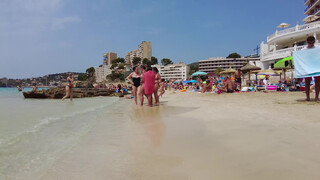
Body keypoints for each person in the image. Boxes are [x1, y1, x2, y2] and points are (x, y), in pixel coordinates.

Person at [301, 36, 320, 101]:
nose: (311, 44)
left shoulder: (318, 48)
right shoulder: (303, 50)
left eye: (312, 43)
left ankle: (316, 97)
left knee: (317, 82)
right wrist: (294, 54)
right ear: (307, 42)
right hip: (307, 67)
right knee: (307, 82)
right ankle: (307, 97)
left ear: (314, 42)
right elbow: (300, 57)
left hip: (316, 66)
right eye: (310, 43)